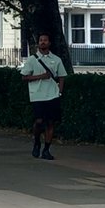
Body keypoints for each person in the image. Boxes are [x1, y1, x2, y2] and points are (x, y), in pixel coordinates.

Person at [20, 32, 68, 160]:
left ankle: (46, 149)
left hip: (52, 94)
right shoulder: (32, 60)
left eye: (45, 40)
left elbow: (62, 76)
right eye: (41, 40)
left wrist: (60, 91)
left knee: (50, 123)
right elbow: (24, 77)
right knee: (39, 121)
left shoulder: (56, 60)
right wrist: (40, 76)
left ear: (49, 43)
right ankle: (36, 141)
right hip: (37, 95)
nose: (43, 42)